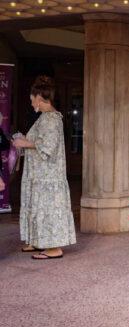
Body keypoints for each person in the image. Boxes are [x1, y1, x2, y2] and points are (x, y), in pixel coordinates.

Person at [11, 76, 76, 259]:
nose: (32, 104)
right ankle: (40, 242)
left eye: (33, 101)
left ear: (39, 99)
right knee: (40, 208)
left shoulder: (51, 119)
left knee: (47, 209)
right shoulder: (47, 118)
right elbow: (41, 143)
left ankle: (54, 248)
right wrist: (26, 141)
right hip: (42, 175)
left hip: (48, 176)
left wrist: (24, 143)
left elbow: (47, 147)